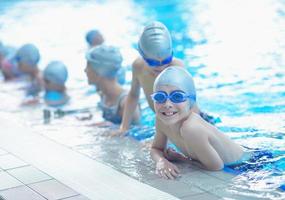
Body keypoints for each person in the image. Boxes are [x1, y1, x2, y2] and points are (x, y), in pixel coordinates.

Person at [150, 66, 244, 179]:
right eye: (160, 97)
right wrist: (161, 161)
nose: (167, 104)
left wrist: (181, 159)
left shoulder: (191, 128)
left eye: (177, 97)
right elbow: (156, 149)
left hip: (247, 166)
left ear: (191, 100)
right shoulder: (161, 120)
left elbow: (215, 167)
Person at [113, 21, 184, 135]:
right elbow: (133, 95)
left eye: (166, 61)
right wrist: (124, 127)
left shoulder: (177, 67)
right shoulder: (138, 66)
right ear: (142, 56)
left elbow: (186, 106)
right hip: (163, 118)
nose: (161, 67)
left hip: (180, 119)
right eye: (153, 62)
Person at [85, 44, 140, 125]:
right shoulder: (103, 94)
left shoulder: (125, 102)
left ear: (99, 72)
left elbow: (135, 132)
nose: (85, 70)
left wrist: (107, 127)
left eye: (88, 67)